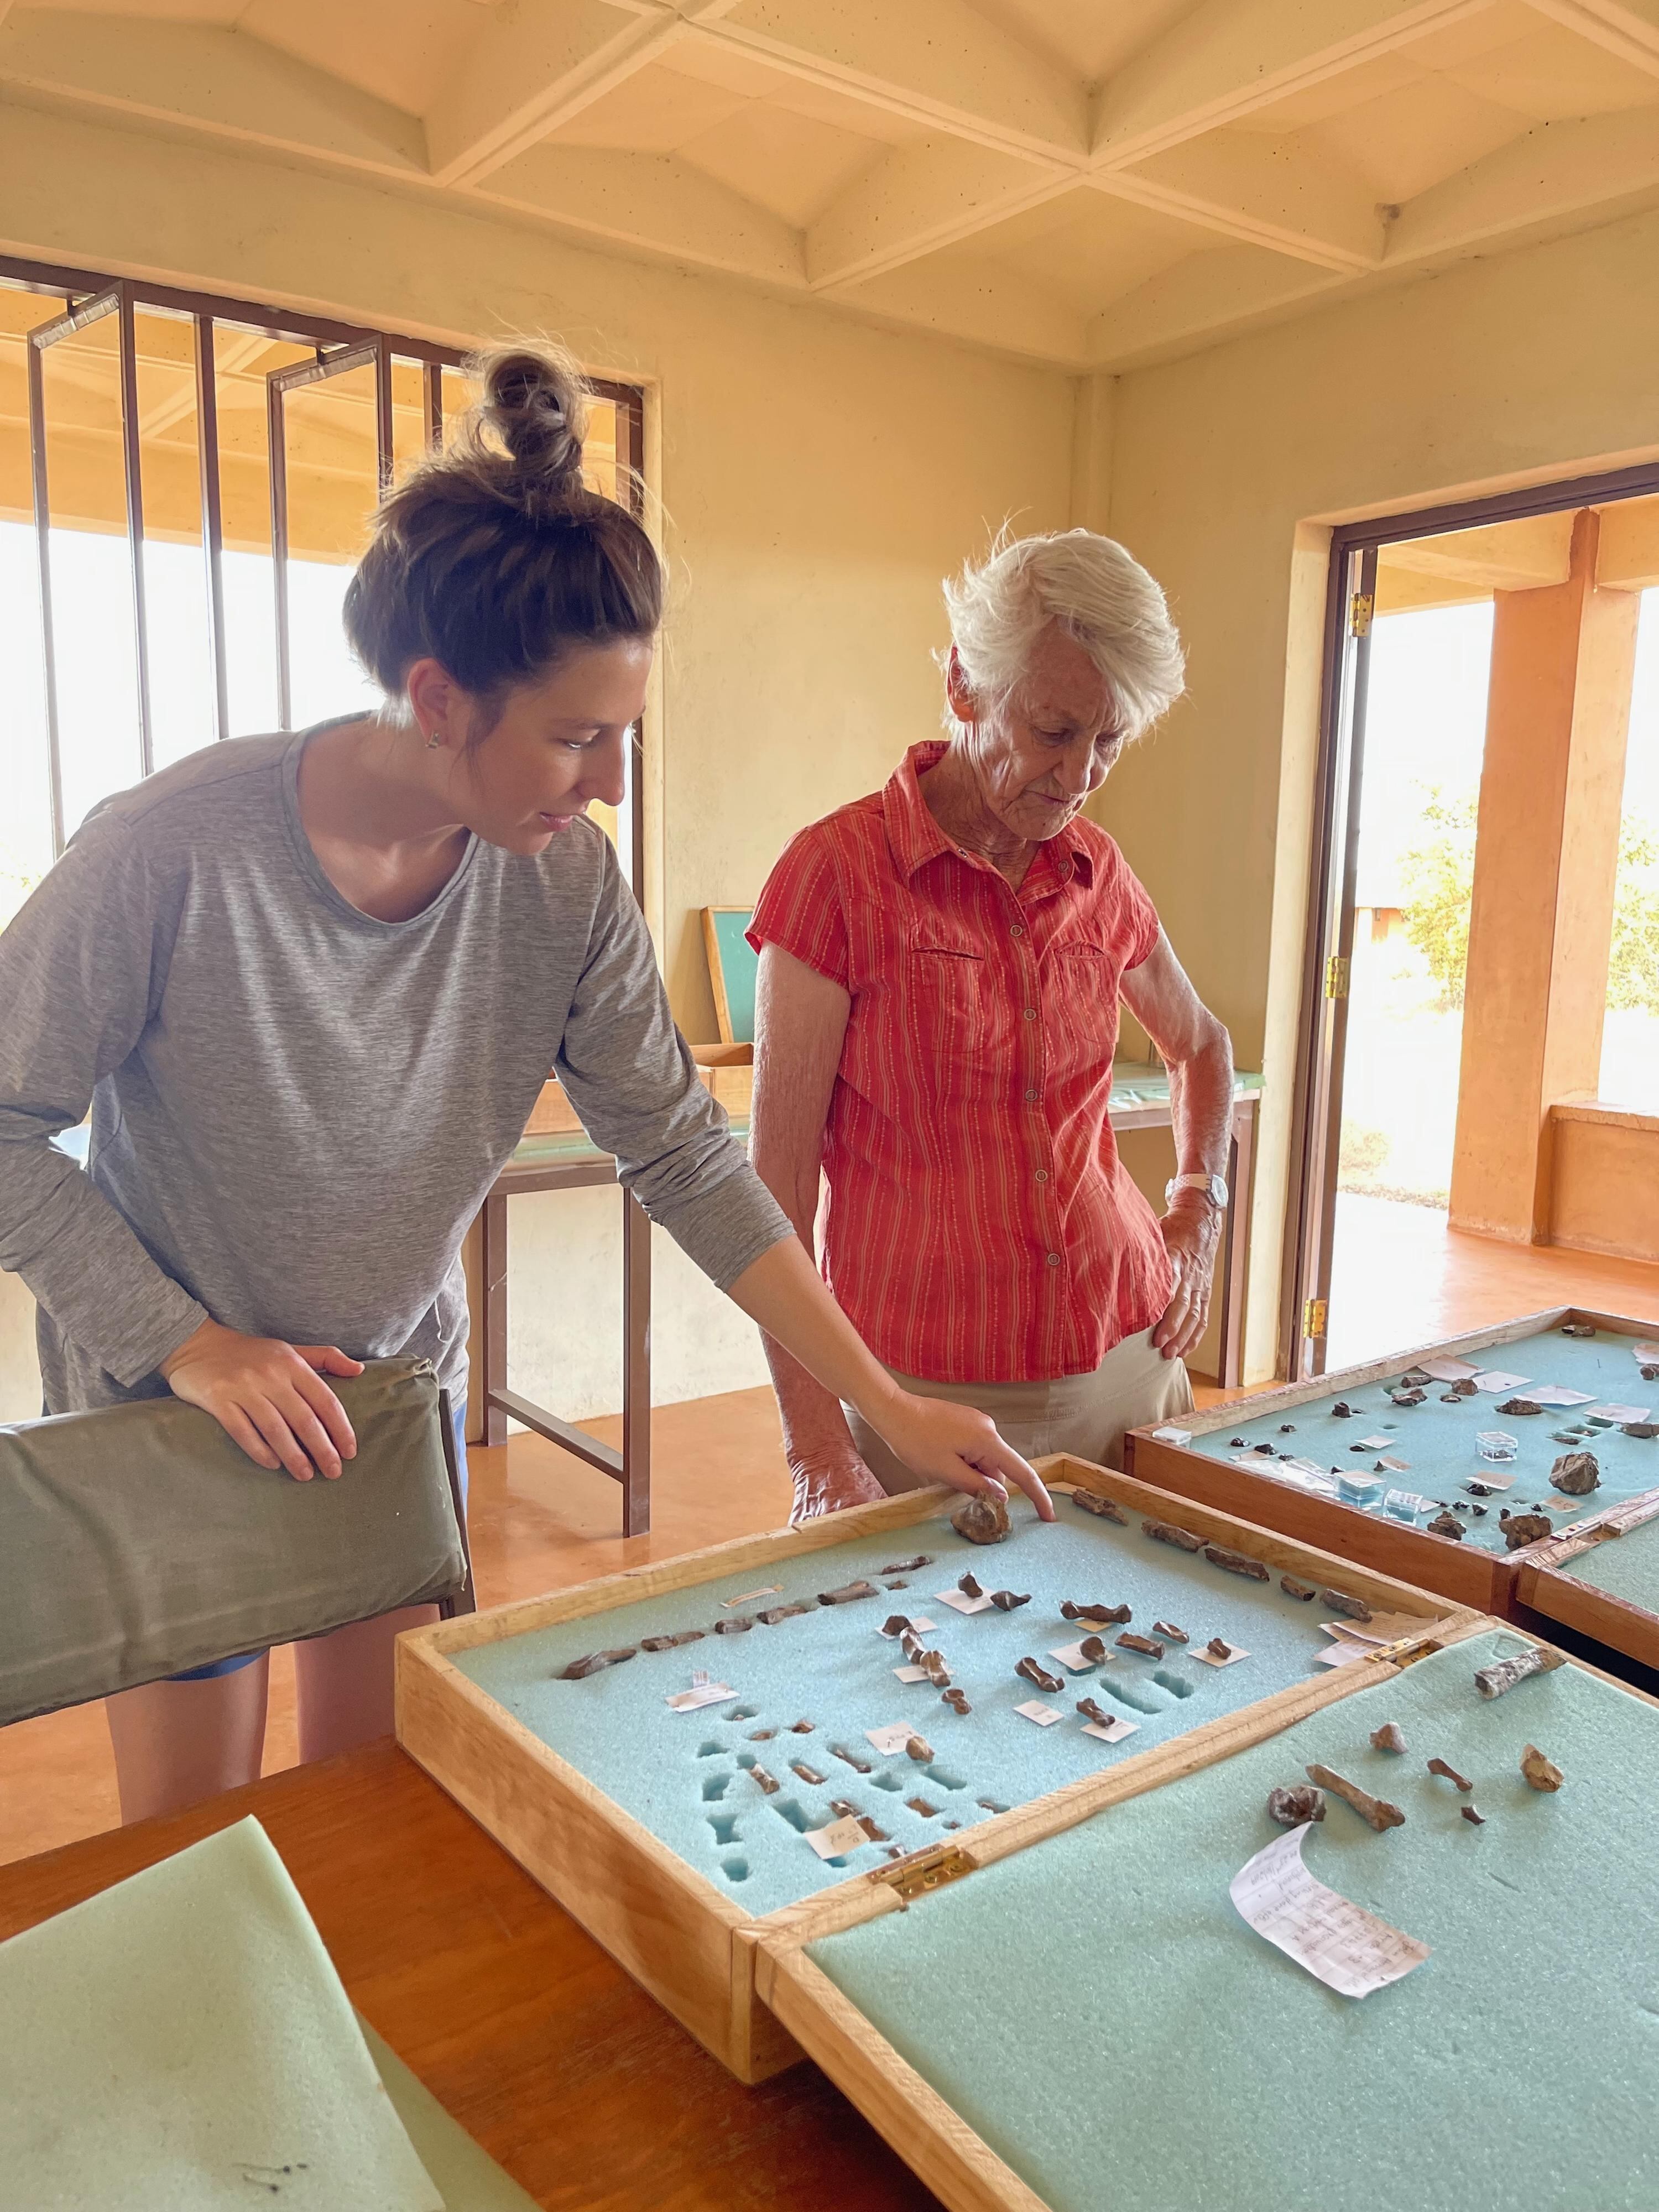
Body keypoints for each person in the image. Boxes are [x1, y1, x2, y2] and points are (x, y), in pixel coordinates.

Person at [0, 343, 1050, 1825]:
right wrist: (191, 1343)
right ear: (437, 698)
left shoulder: (562, 886)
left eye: (622, 733)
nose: (609, 782)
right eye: (575, 738)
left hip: (383, 1398)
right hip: (177, 1406)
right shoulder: (170, 849)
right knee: (199, 1842)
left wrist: (875, 1400)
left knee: (371, 1819)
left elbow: (684, 1153)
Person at [748, 528, 1235, 1519]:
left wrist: (1199, 1210)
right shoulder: (836, 876)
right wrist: (816, 1448)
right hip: (922, 1403)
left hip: (1132, 1362)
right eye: (1055, 731)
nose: (1082, 774)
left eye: (1111, 741)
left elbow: (1202, 1046)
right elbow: (777, 1194)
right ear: (966, 684)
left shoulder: (1099, 871)